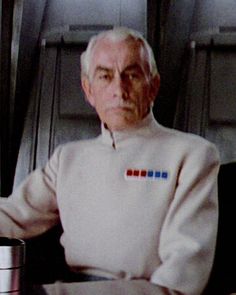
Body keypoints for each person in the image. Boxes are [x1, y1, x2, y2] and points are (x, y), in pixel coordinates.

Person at [0, 27, 219, 295]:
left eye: (132, 75)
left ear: (153, 86)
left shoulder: (192, 154)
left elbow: (180, 282)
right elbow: (11, 216)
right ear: (88, 90)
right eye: (105, 76)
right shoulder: (68, 158)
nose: (119, 89)